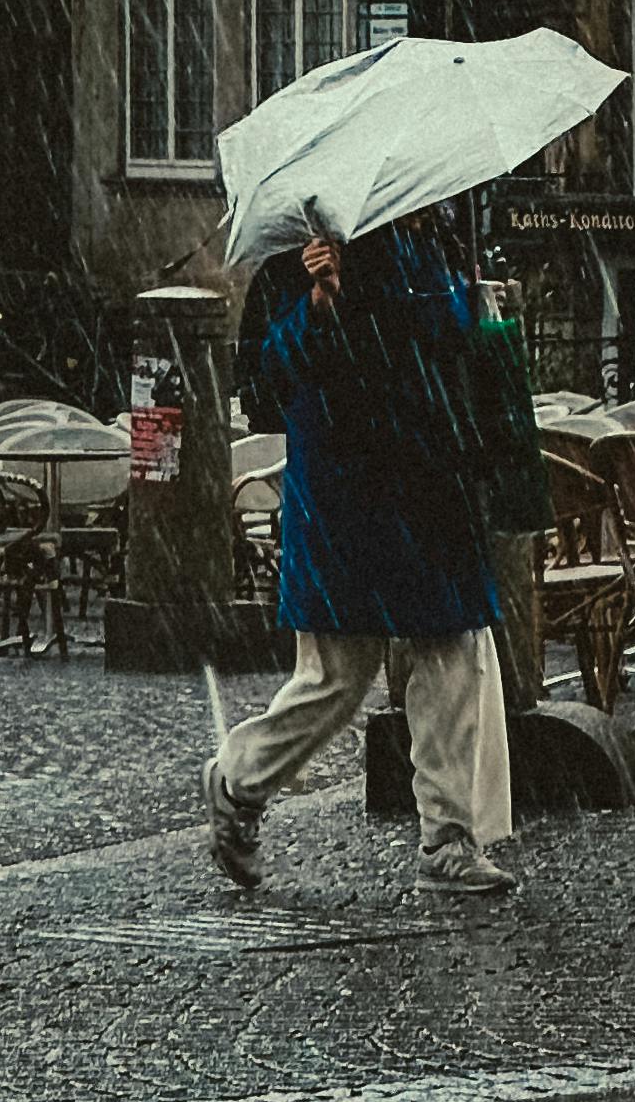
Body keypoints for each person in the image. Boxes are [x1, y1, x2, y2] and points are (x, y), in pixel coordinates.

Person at [203, 215, 515, 899]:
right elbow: (269, 379)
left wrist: (474, 305)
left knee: (450, 656)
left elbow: (445, 346)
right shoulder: (298, 258)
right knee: (338, 676)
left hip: (430, 487)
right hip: (353, 495)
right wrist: (320, 305)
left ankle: (448, 837)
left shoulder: (429, 239)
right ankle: (240, 780)